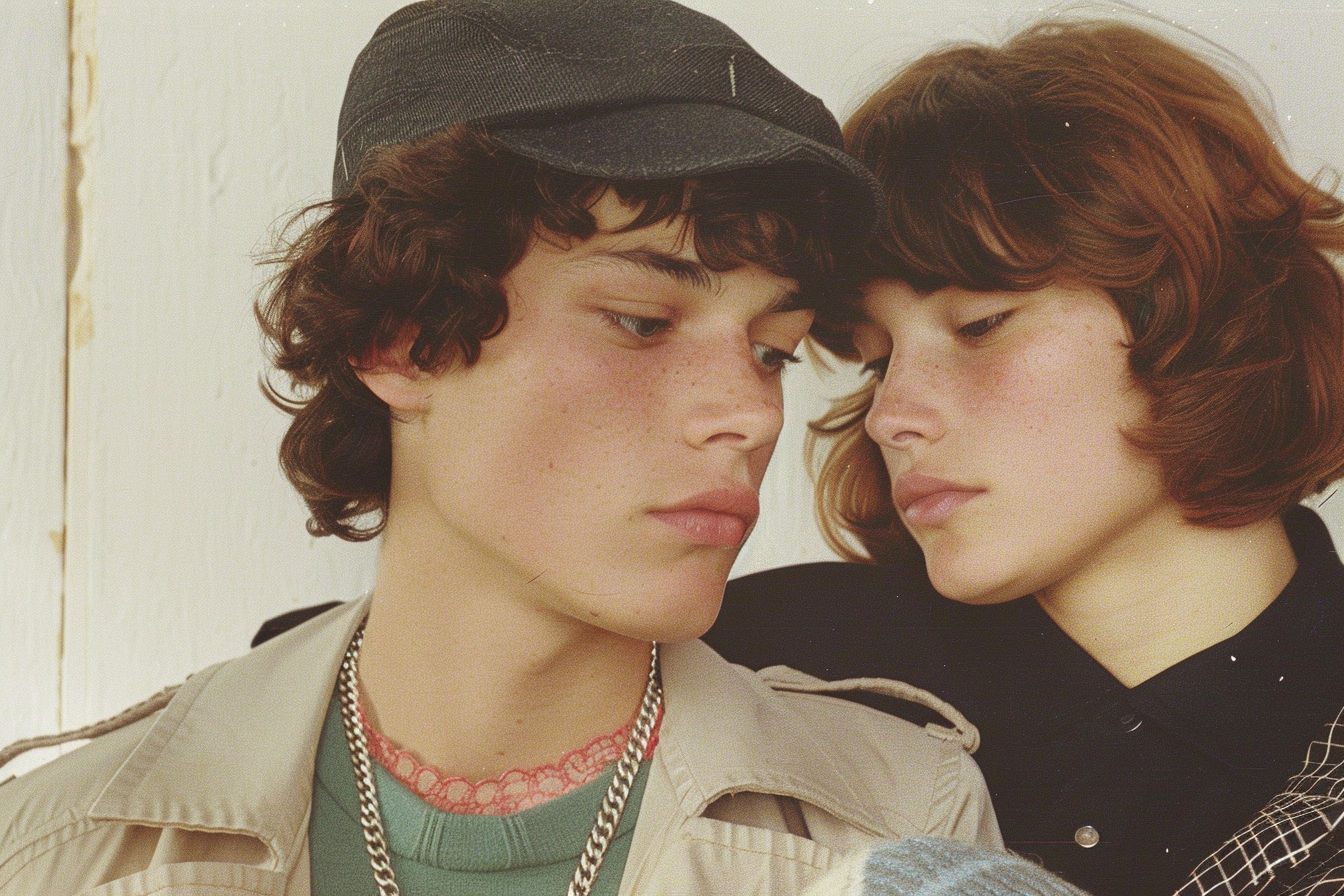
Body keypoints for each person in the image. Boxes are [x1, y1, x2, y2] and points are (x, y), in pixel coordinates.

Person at [0, 1, 1004, 894]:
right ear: (398, 338)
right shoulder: (55, 846)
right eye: (642, 322)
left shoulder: (907, 822)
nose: (747, 411)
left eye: (772, 351)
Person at [705, 16, 1344, 896]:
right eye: (878, 359)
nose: (892, 417)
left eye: (980, 325)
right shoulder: (753, 661)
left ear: (1195, 309)